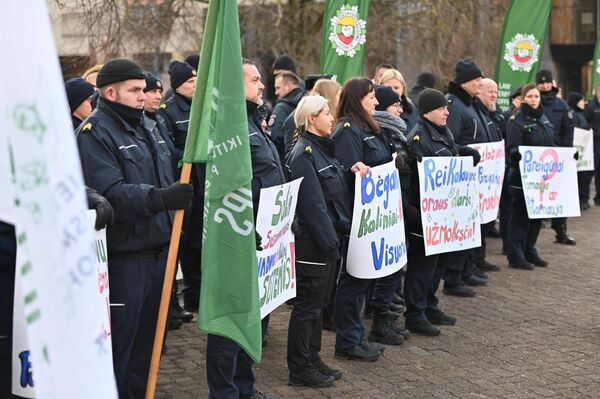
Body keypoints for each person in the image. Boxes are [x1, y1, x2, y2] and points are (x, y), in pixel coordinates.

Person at [76, 58, 193, 398]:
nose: (143, 96)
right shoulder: (94, 133)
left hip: (160, 255)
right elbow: (110, 195)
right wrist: (161, 198)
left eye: (144, 89)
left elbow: (165, 171)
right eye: (135, 90)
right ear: (110, 92)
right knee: (120, 353)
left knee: (149, 349)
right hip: (125, 262)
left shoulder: (149, 126)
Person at [205, 58, 282, 399]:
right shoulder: (228, 128)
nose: (262, 85)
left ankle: (244, 387)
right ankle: (224, 392)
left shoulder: (252, 124)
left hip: (262, 238)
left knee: (251, 317)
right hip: (235, 236)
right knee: (228, 320)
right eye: (254, 80)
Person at [286, 95, 368, 388]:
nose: (332, 118)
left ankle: (313, 358)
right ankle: (299, 368)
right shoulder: (303, 154)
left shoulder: (322, 149)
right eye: (325, 113)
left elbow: (331, 186)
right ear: (311, 119)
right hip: (315, 245)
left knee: (318, 306)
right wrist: (331, 243)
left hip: (328, 242)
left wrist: (351, 171)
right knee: (307, 307)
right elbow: (313, 207)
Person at [332, 77, 402, 362]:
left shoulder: (370, 127)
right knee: (353, 281)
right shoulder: (348, 129)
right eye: (371, 97)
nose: (376, 102)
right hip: (357, 220)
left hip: (376, 219)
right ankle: (347, 341)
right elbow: (346, 172)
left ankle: (357, 336)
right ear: (357, 99)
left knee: (363, 280)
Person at [404, 88, 479, 336]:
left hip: (445, 216)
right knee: (422, 268)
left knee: (437, 265)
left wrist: (464, 152)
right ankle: (415, 314)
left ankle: (429, 305)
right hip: (426, 215)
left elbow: (450, 151)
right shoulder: (418, 138)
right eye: (441, 109)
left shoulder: (440, 131)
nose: (447, 112)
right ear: (427, 112)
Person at [159, 60, 204, 313]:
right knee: (183, 243)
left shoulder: (199, 107)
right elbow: (169, 149)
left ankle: (197, 296)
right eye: (189, 81)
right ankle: (183, 296)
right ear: (177, 86)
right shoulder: (169, 111)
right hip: (181, 185)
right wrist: (189, 156)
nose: (195, 84)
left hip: (200, 185)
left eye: (196, 80)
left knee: (197, 242)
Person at [444, 60, 489, 295]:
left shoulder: (468, 103)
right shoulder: (454, 104)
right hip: (460, 177)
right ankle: (453, 277)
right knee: (459, 225)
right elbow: (450, 139)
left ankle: (464, 269)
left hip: (472, 174)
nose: (480, 82)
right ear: (464, 82)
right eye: (476, 79)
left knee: (469, 224)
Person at [505, 84, 555, 270]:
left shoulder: (543, 117)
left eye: (536, 96)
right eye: (530, 96)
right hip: (522, 179)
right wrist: (516, 155)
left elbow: (551, 144)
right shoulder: (516, 120)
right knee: (520, 217)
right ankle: (515, 254)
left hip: (542, 180)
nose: (534, 99)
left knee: (536, 217)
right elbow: (511, 147)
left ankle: (529, 249)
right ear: (523, 98)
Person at [536, 69, 576, 245]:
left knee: (561, 196)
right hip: (538, 158)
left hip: (558, 156)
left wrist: (567, 153)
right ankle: (532, 238)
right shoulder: (533, 103)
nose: (544, 85)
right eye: (541, 82)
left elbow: (568, 131)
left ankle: (561, 231)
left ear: (552, 83)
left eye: (547, 82)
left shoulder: (562, 105)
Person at [472, 77, 504, 272]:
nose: (494, 96)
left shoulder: (490, 114)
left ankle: (479, 259)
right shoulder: (476, 113)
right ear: (479, 92)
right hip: (478, 178)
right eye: (490, 92)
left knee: (486, 219)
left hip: (489, 179)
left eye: (496, 93)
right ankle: (471, 264)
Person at [267, 71, 305, 163]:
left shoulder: (281, 108)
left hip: (284, 161)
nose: (276, 92)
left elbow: (274, 137)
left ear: (288, 87)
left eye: (278, 88)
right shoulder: (306, 103)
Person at [567, 92, 592, 210]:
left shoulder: (580, 114)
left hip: (583, 154)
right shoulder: (573, 115)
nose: (584, 103)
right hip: (577, 153)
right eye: (581, 100)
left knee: (583, 177)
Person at [583, 83, 600, 206]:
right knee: (591, 171)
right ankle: (585, 197)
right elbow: (585, 123)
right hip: (594, 143)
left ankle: (598, 197)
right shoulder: (591, 106)